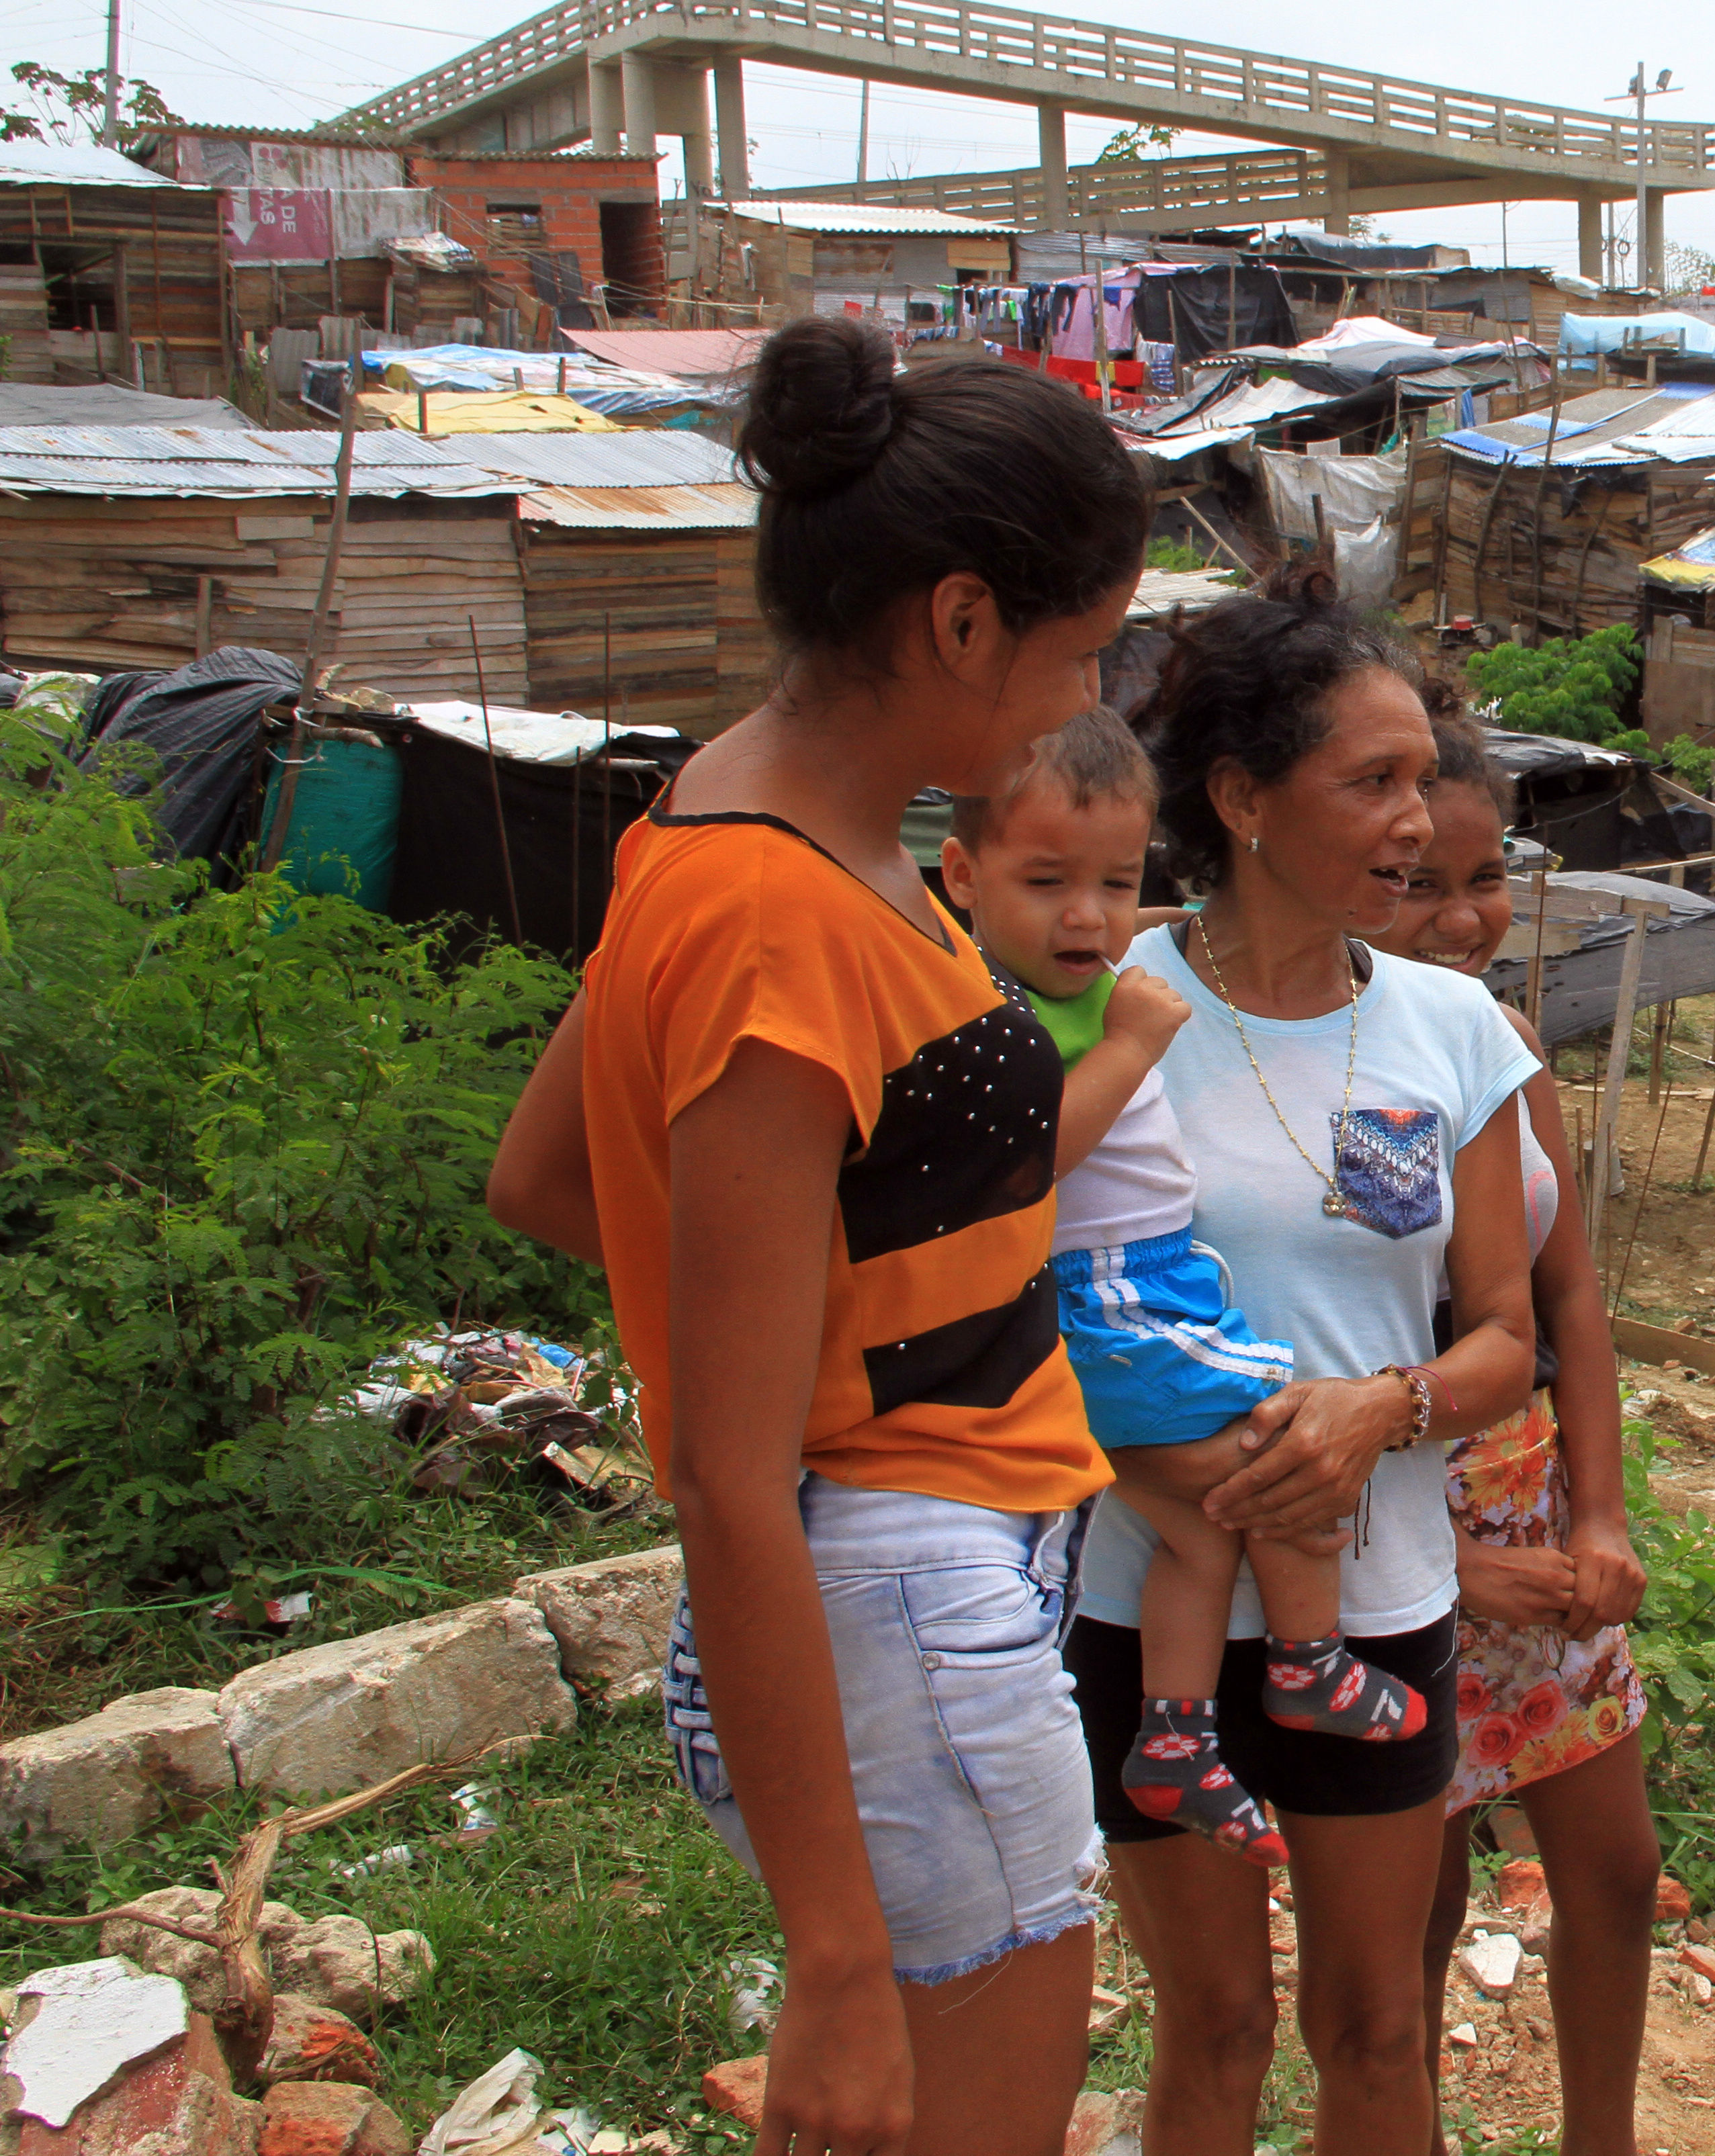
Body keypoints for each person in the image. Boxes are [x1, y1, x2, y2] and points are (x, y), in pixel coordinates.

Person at [484, 312, 1149, 2156]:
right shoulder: (791, 924)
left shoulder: (725, 826)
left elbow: (552, 1174)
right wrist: (836, 1969)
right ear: (956, 620)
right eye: (1077, 650)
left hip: (901, 1590)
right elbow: (725, 1468)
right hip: (898, 1598)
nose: (1076, 702)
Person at [1064, 569, 1544, 2156]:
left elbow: (1506, 1340)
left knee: (1376, 2023)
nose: (1416, 820)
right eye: (1375, 780)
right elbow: (1007, 1287)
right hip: (1148, 1607)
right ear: (1243, 798)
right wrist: (1157, 1455)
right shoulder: (1103, 1001)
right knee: (1211, 2025)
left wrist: (1379, 1407)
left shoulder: (1450, 1027)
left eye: (1422, 778)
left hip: (1378, 1607)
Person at [942, 709, 1429, 1870]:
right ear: (961, 875)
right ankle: (1307, 1667)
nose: (1087, 916)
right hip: (1106, 1291)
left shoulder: (1069, 981)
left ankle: (1175, 1738)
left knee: (1201, 1540)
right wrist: (1133, 1043)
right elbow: (1024, 1166)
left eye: (1117, 885)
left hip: (1150, 1285)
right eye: (1047, 880)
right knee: (1289, 1459)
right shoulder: (995, 1012)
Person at [1369, 723, 1657, 2156]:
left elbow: (1574, 1298)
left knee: (1613, 1874)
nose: (1468, 915)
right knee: (1412, 1918)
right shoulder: (1323, 1067)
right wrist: (1440, 1571)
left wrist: (1595, 1518)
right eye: (1426, 883)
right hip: (1372, 1532)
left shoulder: (1502, 1042)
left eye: (1487, 876)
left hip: (1530, 1509)